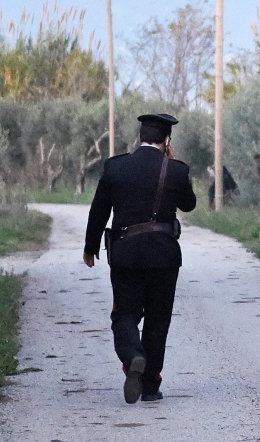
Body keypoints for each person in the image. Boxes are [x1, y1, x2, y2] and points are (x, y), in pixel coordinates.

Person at [83, 113, 197, 404]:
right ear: (166, 140)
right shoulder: (176, 170)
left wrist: (90, 246)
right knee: (158, 321)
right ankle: (149, 386)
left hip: (125, 254)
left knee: (125, 314)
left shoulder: (116, 167)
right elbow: (189, 204)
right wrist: (172, 165)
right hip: (164, 255)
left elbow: (99, 210)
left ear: (140, 138)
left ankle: (133, 356)